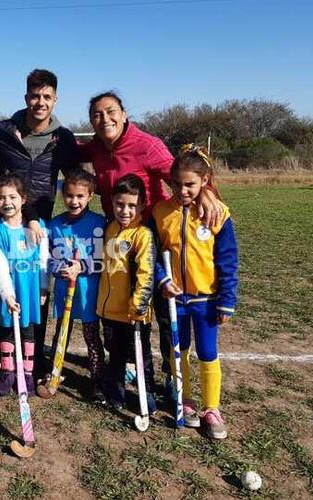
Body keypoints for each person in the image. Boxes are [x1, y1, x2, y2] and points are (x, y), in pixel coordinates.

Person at [80, 91, 223, 396]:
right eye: (97, 114)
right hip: (117, 236)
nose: (104, 119)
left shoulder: (147, 145)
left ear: (124, 113)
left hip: (151, 236)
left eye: (110, 111)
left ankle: (172, 374)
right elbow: (69, 152)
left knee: (160, 305)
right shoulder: (95, 147)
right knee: (121, 303)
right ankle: (130, 362)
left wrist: (207, 191)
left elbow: (182, 174)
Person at [0, 68, 80, 376]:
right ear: (26, 97)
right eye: (35, 96)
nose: (40, 102)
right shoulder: (2, 130)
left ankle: (34, 361)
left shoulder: (64, 138)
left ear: (55, 99)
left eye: (47, 96)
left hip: (38, 228)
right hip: (4, 225)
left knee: (38, 291)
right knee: (0, 288)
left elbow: (75, 180)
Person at [152, 145, 238, 439]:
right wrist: (163, 280)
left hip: (207, 300)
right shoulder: (161, 212)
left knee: (208, 352)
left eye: (190, 184)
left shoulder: (218, 213)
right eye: (176, 183)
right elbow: (152, 255)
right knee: (179, 352)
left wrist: (227, 301)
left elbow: (227, 259)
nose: (182, 190)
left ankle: (212, 408)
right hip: (175, 300)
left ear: (205, 181)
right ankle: (185, 401)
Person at [96, 174, 157, 413]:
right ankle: (117, 391)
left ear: (141, 205)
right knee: (116, 353)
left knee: (142, 355)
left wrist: (139, 305)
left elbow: (146, 273)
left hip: (134, 313)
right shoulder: (109, 228)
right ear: (112, 202)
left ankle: (146, 392)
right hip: (109, 310)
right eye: (120, 204)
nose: (125, 210)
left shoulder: (142, 234)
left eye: (132, 205)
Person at [45, 170, 105, 403]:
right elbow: (46, 258)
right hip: (64, 290)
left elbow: (104, 260)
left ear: (90, 196)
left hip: (88, 291)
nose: (74, 201)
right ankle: (55, 371)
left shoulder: (99, 223)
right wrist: (59, 267)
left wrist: (83, 266)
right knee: (62, 331)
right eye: (69, 196)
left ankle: (98, 379)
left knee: (91, 336)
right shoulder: (55, 225)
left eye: (80, 196)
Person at [0, 173, 49, 396]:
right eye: (1, 198)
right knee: (7, 329)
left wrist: (43, 287)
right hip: (10, 290)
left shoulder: (37, 226)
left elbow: (44, 260)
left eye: (12, 197)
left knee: (28, 330)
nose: (7, 202)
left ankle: (28, 373)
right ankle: (8, 372)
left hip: (30, 288)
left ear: (23, 199)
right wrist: (8, 296)